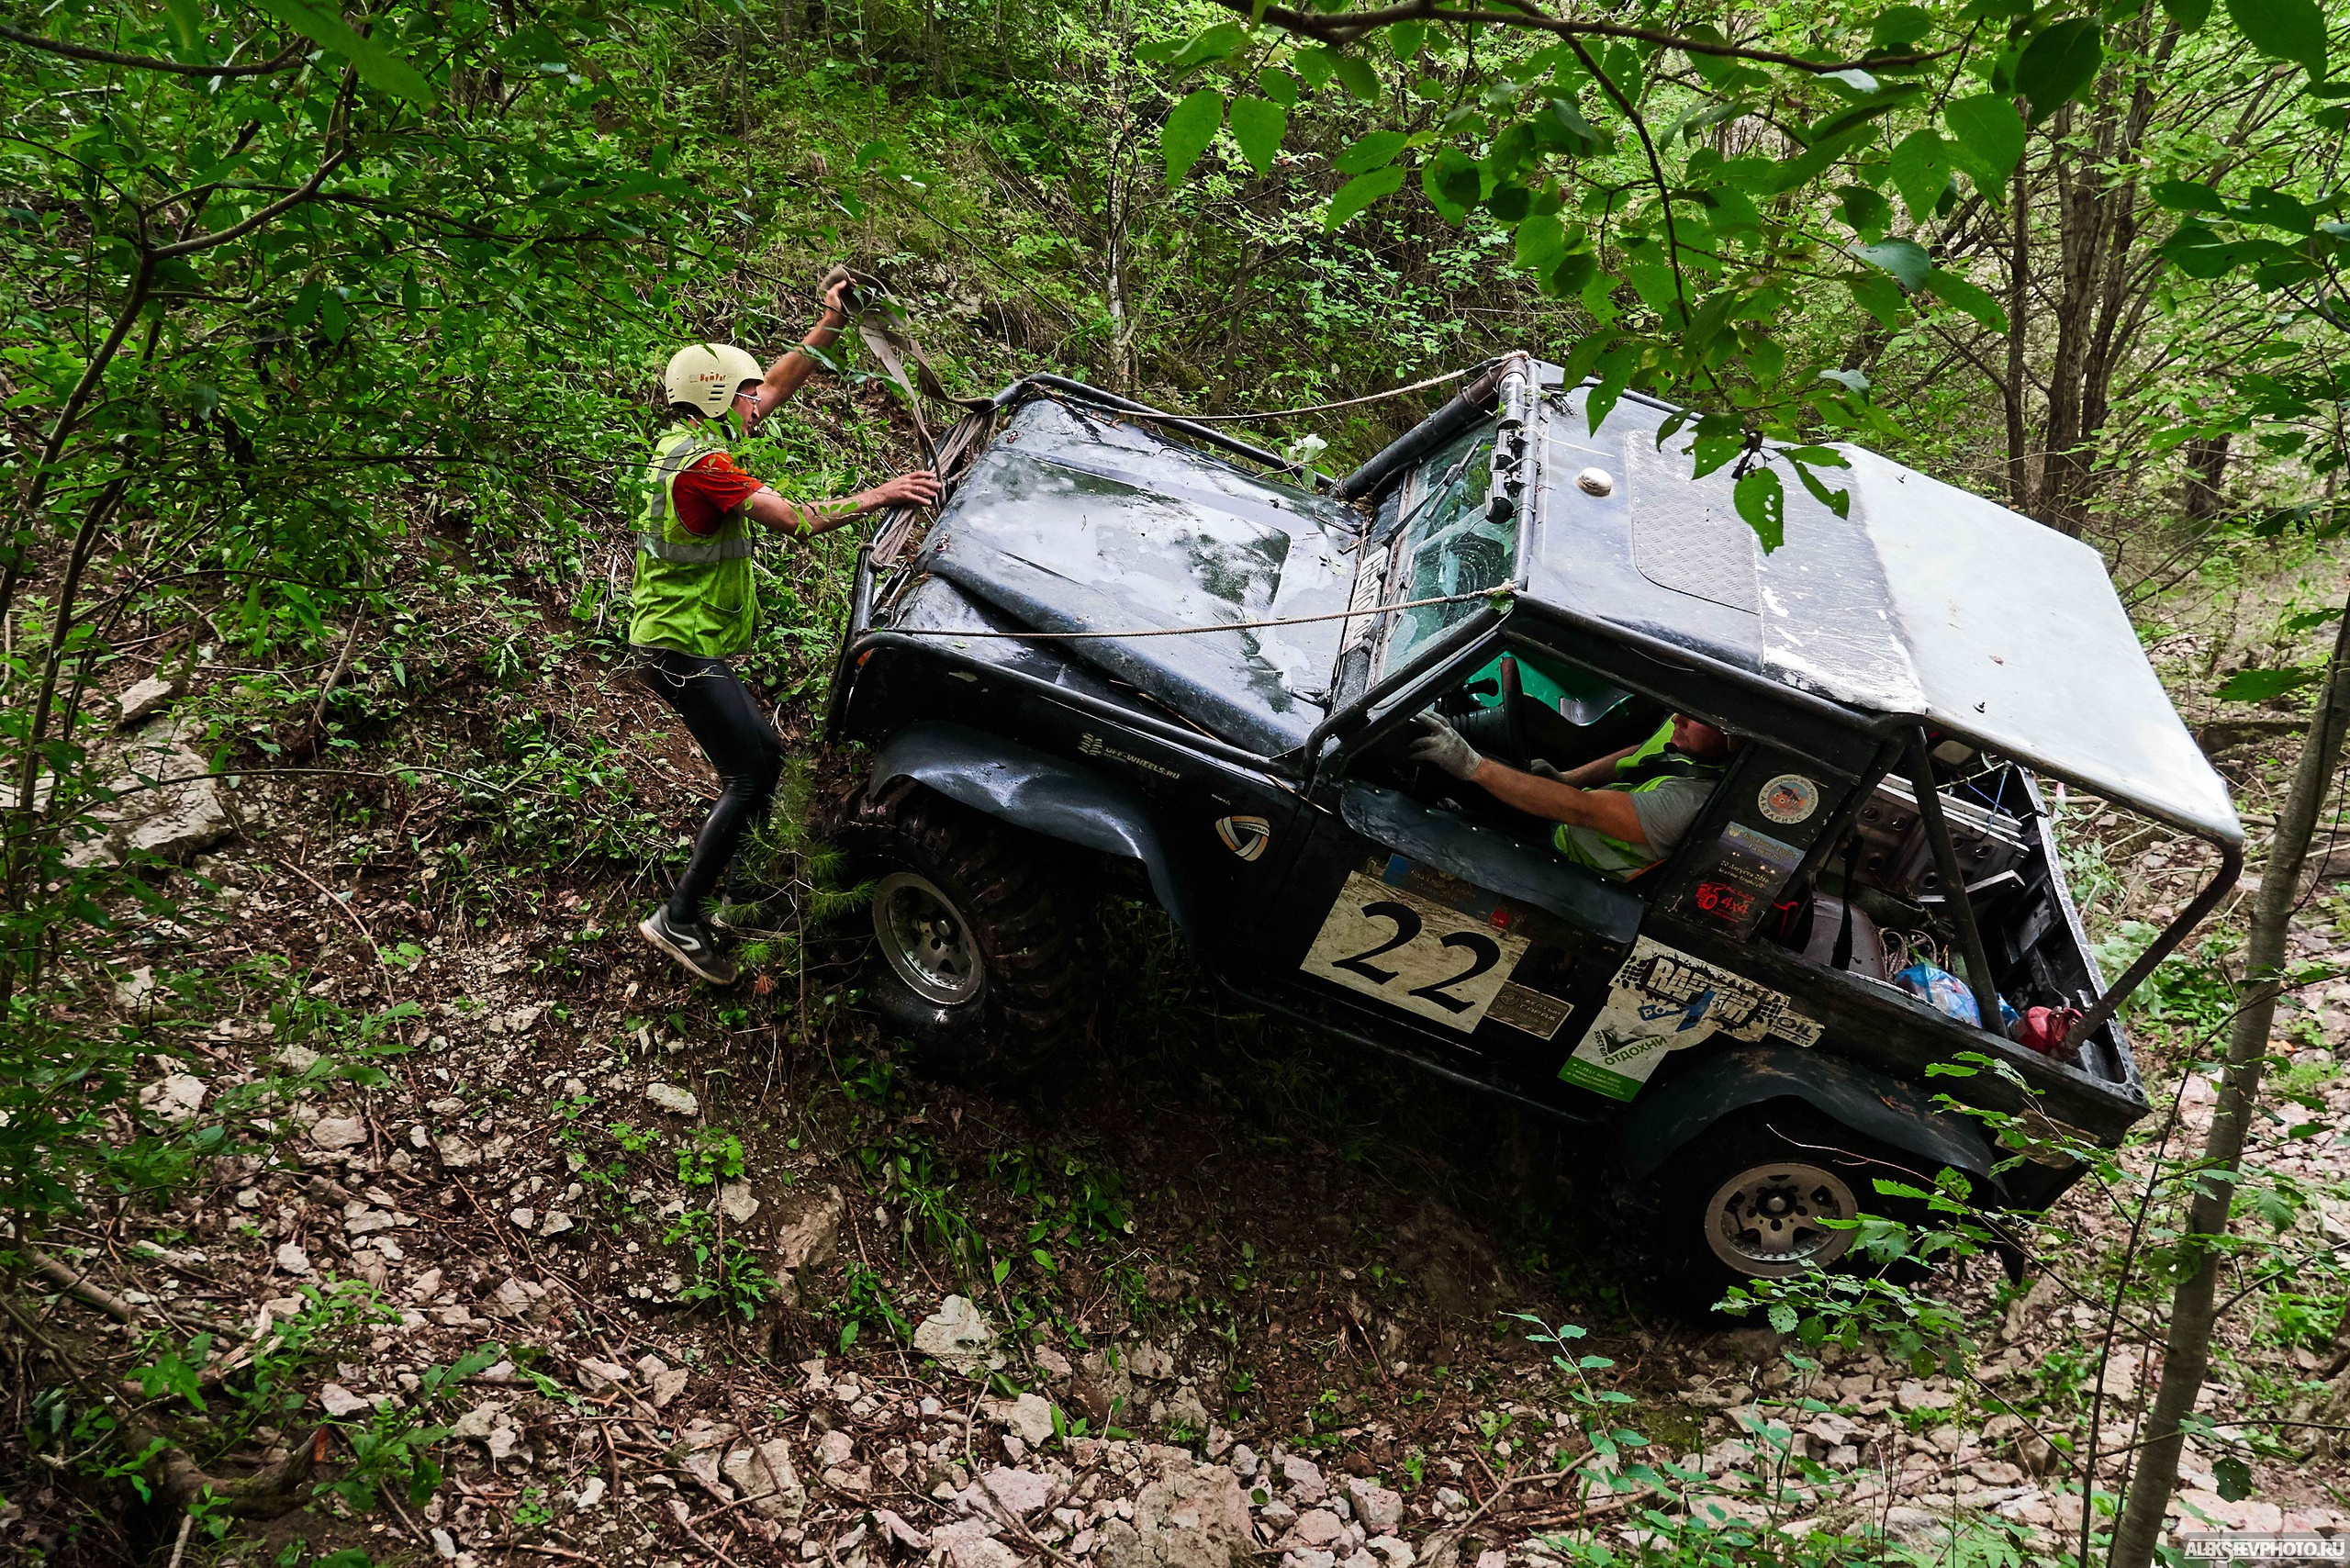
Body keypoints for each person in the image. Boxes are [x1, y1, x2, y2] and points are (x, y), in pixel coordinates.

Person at [632, 277, 942, 985]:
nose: (758, 402)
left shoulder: (687, 438)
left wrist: (831, 322)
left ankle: (735, 897)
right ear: (718, 399)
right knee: (753, 770)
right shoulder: (707, 466)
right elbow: (794, 519)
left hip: (682, 638)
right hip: (677, 645)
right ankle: (679, 918)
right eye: (742, 395)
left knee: (764, 758)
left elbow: (773, 385)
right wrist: (883, 493)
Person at [1407, 710, 1735, 879]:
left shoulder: (1691, 805)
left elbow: (1583, 811)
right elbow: (1641, 753)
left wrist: (1472, 766)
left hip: (1569, 869)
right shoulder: (1688, 729)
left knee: (1444, 835)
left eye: (1697, 719)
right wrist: (1568, 779)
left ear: (1735, 738)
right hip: (1565, 826)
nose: (1677, 717)